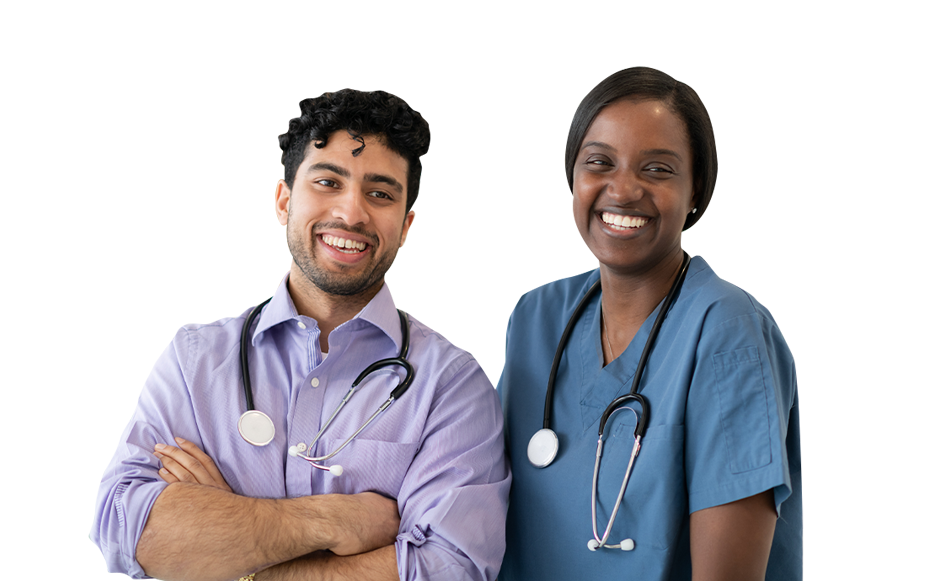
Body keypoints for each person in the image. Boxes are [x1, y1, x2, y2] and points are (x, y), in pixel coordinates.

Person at [92, 91, 510, 581]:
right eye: (328, 182)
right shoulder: (194, 363)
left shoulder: (451, 386)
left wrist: (229, 554)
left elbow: (450, 568)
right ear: (284, 201)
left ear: (406, 225)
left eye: (381, 193)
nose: (352, 213)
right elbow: (127, 532)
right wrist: (335, 521)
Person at [497, 69, 803, 581]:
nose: (622, 189)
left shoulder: (727, 331)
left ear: (695, 191)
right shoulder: (538, 317)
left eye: (657, 169)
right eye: (599, 162)